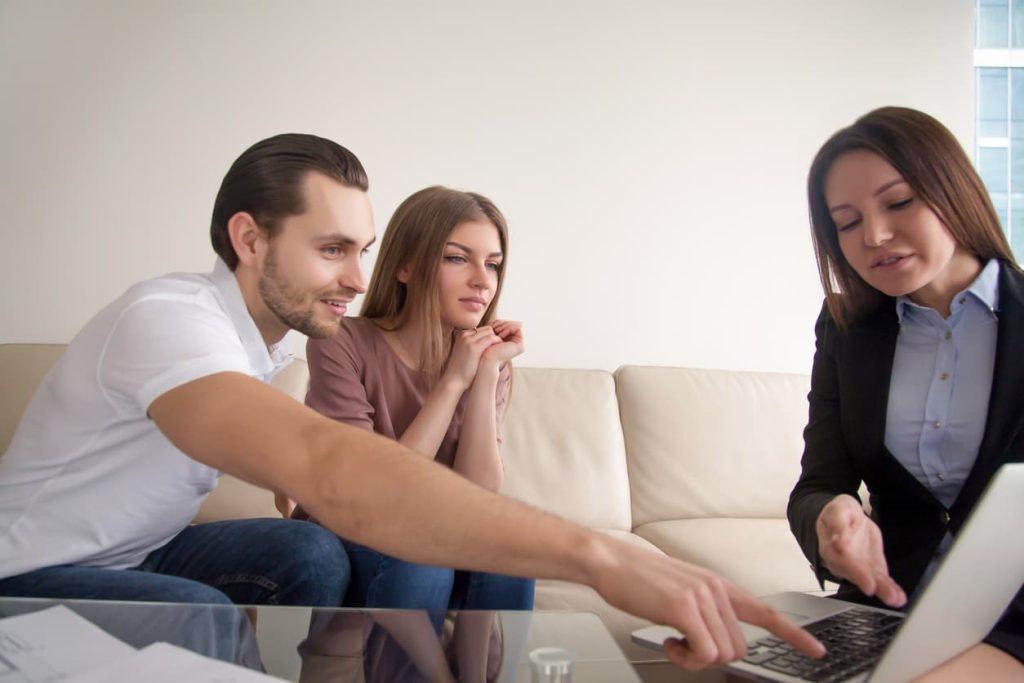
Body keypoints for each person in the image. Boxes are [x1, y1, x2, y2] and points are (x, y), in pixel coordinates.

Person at [0, 133, 823, 673]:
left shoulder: (270, 337)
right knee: (199, 614)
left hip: (140, 552)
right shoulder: (170, 319)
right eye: (333, 250)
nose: (358, 276)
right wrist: (602, 556)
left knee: (309, 560)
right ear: (250, 240)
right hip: (29, 570)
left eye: (360, 249)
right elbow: (330, 462)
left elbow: (315, 470)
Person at [790, 106, 1024, 679]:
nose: (874, 236)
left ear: (954, 191)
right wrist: (833, 518)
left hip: (1011, 623)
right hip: (881, 614)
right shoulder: (847, 327)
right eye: (846, 223)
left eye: (898, 203)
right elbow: (819, 485)